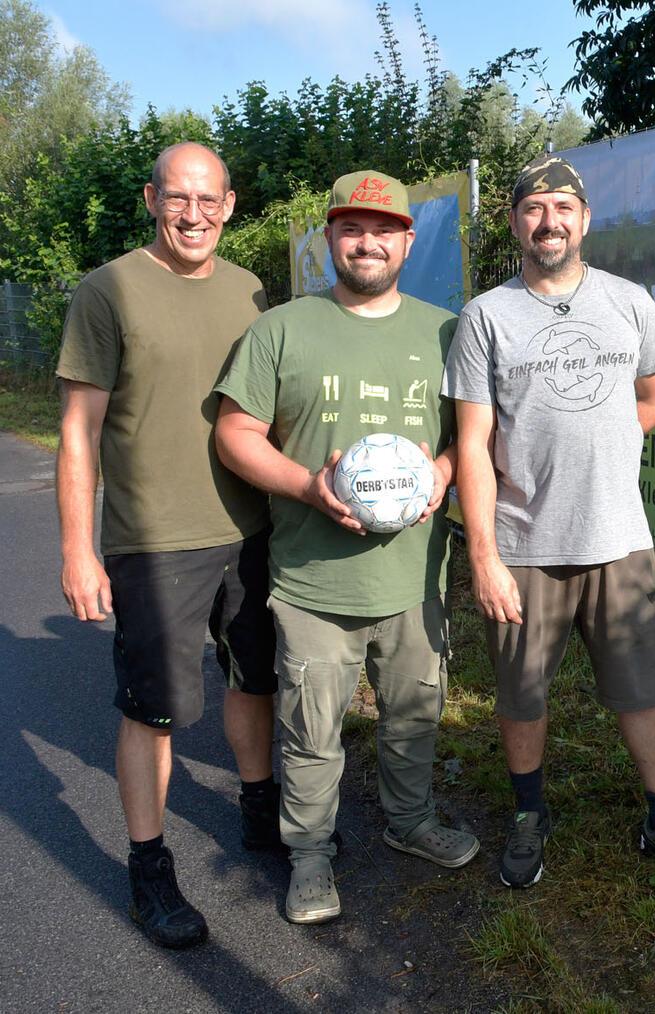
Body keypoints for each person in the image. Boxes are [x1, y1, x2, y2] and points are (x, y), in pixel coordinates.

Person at [446, 153, 655, 888]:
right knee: (522, 691)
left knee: (642, 685)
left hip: (619, 536)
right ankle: (528, 815)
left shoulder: (630, 303)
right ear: (514, 223)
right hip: (524, 541)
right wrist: (483, 556)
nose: (550, 221)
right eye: (534, 209)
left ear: (585, 219)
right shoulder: (485, 317)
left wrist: (610, 440)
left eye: (563, 207)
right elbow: (472, 443)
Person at [214, 169, 476, 925]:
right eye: (352, 229)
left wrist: (442, 473)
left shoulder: (447, 332)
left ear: (408, 241)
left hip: (414, 577)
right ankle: (309, 855)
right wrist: (307, 486)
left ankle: (410, 821)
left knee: (414, 714)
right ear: (329, 237)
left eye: (384, 230)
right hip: (312, 581)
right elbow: (235, 433)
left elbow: (473, 435)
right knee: (311, 732)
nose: (368, 243)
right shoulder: (281, 330)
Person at [56, 142, 278, 949]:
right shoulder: (108, 289)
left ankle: (261, 812)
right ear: (152, 200)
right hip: (153, 542)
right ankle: (148, 868)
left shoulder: (251, 291)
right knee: (155, 711)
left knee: (254, 679)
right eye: (178, 198)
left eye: (208, 199)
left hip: (250, 529)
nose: (193, 214)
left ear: (229, 205)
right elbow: (77, 432)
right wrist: (78, 550)